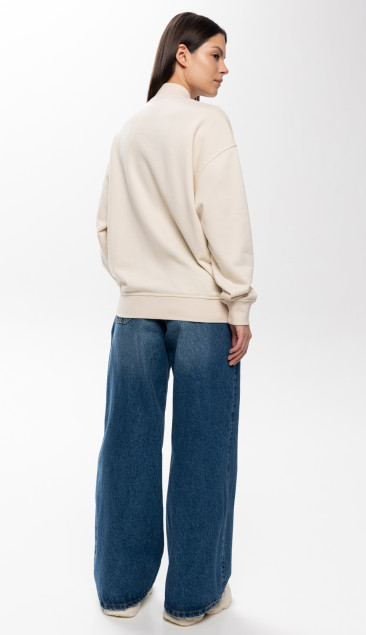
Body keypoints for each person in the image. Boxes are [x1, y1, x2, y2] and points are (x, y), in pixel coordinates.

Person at [93, 12, 257, 627]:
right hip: (201, 315)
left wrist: (138, 279)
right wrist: (238, 303)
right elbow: (227, 220)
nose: (224, 68)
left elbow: (105, 226)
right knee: (203, 452)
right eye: (216, 54)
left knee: (127, 450)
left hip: (135, 314)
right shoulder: (207, 124)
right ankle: (192, 599)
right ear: (181, 55)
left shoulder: (129, 130)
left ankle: (119, 592)